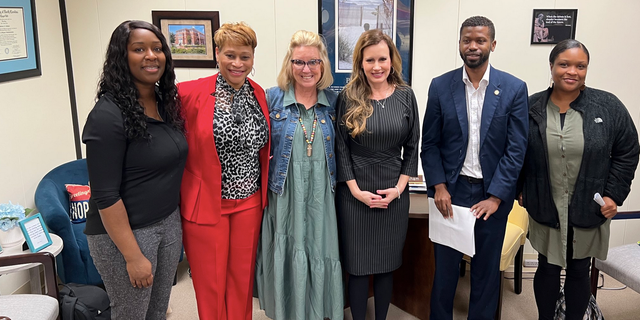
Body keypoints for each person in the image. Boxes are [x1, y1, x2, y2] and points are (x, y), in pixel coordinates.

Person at [518, 39, 639, 320]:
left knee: (579, 269)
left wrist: (613, 195)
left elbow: (628, 150)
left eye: (580, 66)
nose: (572, 71)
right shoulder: (530, 106)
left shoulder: (607, 106)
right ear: (551, 67)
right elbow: (514, 151)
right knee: (547, 267)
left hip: (589, 205)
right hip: (546, 205)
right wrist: (520, 189)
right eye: (564, 64)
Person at [420, 16, 529, 320]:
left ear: (492, 44)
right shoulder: (441, 86)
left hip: (490, 194)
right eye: (467, 40)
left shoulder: (513, 88)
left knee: (485, 272)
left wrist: (496, 197)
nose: (473, 46)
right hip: (451, 192)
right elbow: (430, 144)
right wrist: (439, 186)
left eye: (480, 40)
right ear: (459, 44)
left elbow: (516, 149)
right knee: (444, 272)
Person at [83, 20, 187, 319]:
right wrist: (132, 256)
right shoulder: (107, 115)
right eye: (139, 49)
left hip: (167, 223)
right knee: (131, 313)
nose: (151, 56)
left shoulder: (164, 102)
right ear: (122, 57)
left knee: (156, 312)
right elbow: (105, 195)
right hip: (126, 235)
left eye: (157, 49)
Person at [178, 21, 270, 320]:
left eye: (245, 56)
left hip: (249, 202)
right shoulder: (189, 94)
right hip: (207, 202)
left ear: (253, 58)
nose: (237, 63)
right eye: (230, 55)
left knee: (241, 281)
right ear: (217, 53)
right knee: (211, 284)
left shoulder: (259, 95)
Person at [254, 30, 343, 320]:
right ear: (289, 64)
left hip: (321, 193)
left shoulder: (334, 101)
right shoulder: (271, 99)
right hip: (285, 192)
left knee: (319, 246)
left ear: (323, 65)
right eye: (299, 62)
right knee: (288, 244)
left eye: (313, 62)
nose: (306, 69)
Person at [335, 29, 420, 320]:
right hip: (354, 192)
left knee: (386, 264)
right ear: (360, 62)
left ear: (392, 59)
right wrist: (356, 191)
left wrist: (398, 189)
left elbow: (412, 147)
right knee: (358, 267)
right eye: (369, 60)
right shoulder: (347, 97)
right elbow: (341, 149)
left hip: (394, 192)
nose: (377, 66)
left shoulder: (407, 96)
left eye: (382, 58)